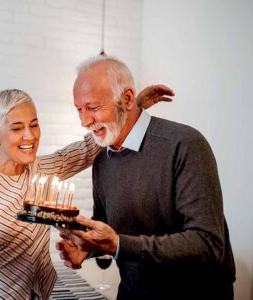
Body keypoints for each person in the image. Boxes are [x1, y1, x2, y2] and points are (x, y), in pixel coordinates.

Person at [0, 86, 172, 299]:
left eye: (34, 124)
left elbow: (90, 146)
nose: (30, 136)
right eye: (17, 128)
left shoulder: (43, 169)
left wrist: (131, 106)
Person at [56, 55, 236, 300]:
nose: (85, 121)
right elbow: (111, 229)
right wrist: (86, 247)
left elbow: (207, 243)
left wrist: (117, 244)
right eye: (79, 109)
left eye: (93, 107)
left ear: (128, 98)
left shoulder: (184, 144)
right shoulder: (102, 160)